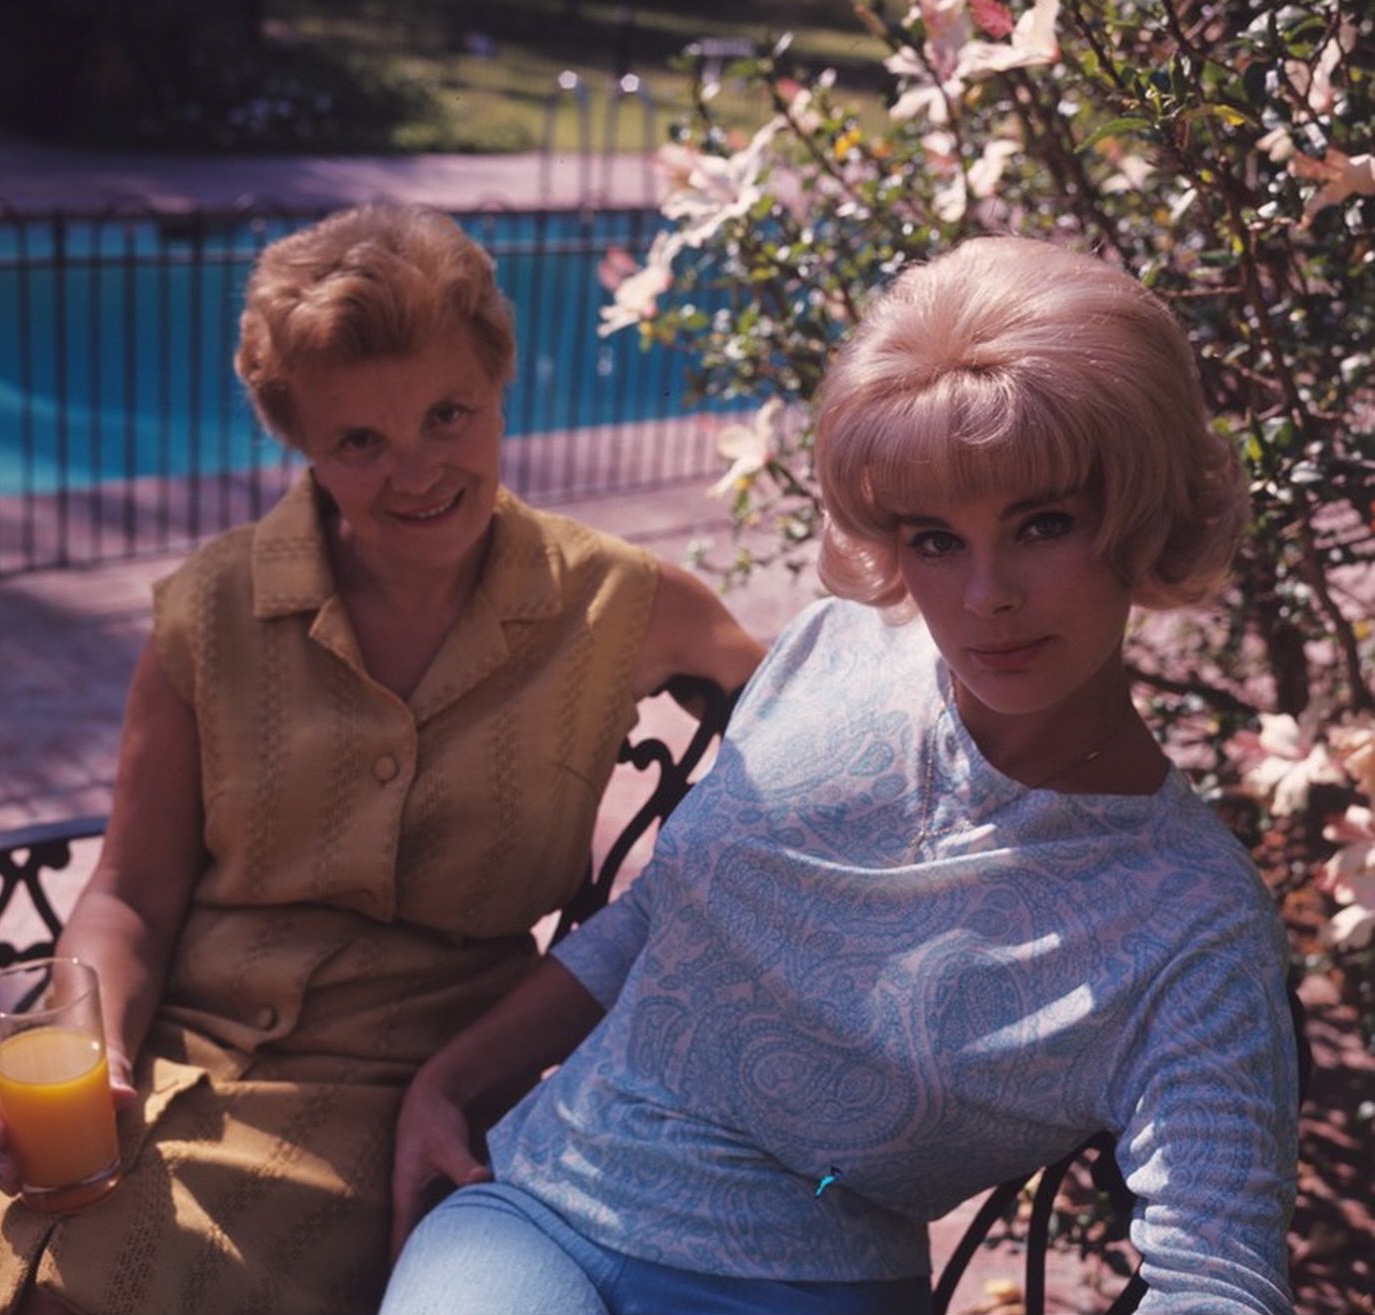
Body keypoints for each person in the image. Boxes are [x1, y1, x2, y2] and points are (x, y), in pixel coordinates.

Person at [381, 235, 1301, 1315]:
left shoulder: (1190, 921)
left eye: (1042, 523)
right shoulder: (833, 651)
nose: (986, 596)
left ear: (1140, 518)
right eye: (935, 539)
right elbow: (672, 911)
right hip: (538, 1208)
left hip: (807, 1286)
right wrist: (452, 1080)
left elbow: (1217, 1278)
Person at [0, 202, 765, 1315]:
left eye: (447, 415)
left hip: (396, 1104)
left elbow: (818, 717)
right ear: (303, 443)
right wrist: (95, 1047)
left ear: (500, 386)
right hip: (164, 1058)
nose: (417, 472)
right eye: (359, 441)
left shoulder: (621, 604)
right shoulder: (210, 611)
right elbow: (127, 889)